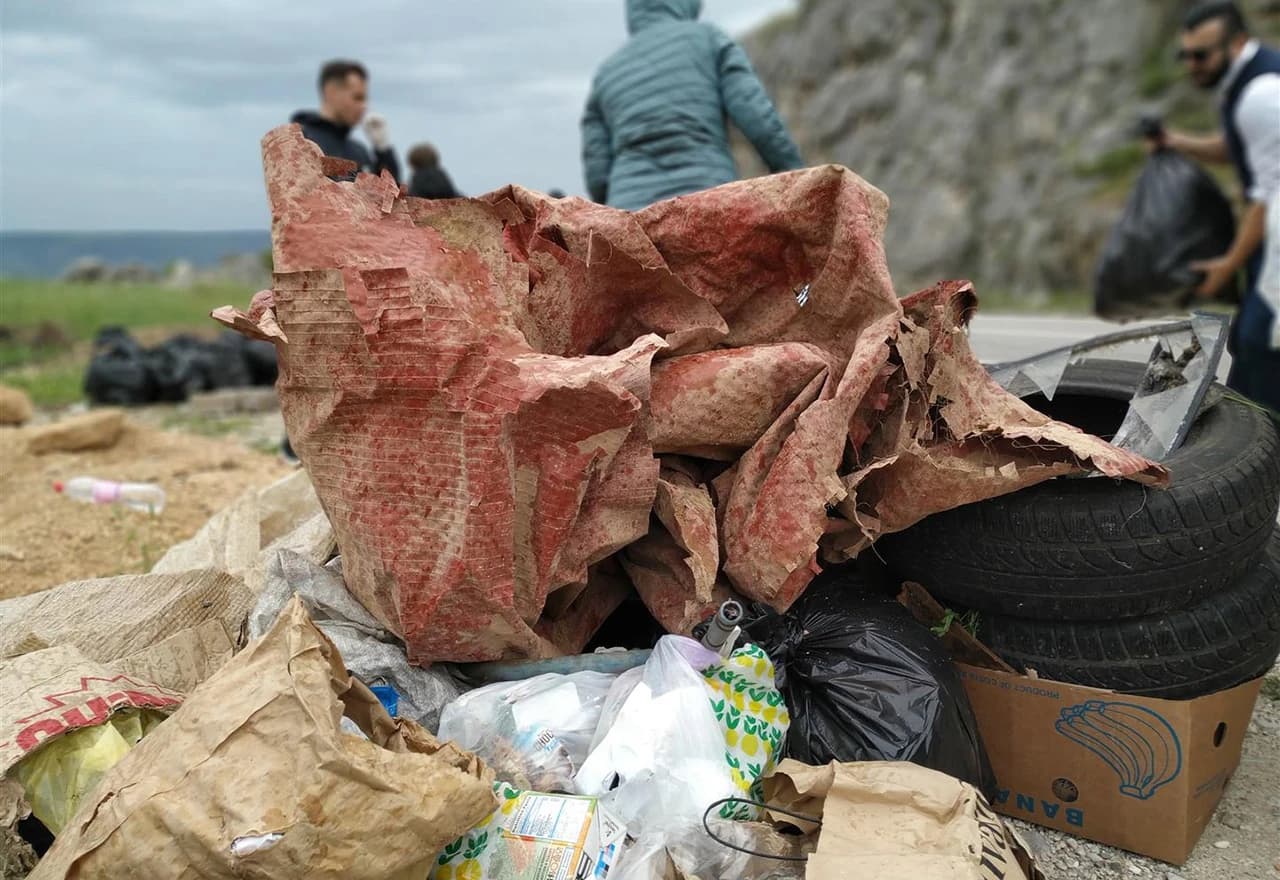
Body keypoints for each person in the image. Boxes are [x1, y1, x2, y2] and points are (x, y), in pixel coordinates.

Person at [1147, 2, 1280, 412]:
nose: (1192, 65)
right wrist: (1176, 142)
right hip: (1271, 239)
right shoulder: (1242, 83)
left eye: (1201, 55)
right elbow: (1235, 147)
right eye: (1185, 55)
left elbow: (1269, 196)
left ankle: (1261, 442)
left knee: (1262, 343)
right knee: (1250, 344)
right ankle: (1250, 438)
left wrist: (1227, 265)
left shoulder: (1262, 94)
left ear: (1236, 43)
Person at [581, 0, 803, 211]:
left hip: (631, 212)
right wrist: (797, 178)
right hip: (707, 201)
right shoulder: (709, 40)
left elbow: (597, 174)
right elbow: (758, 117)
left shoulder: (605, 75)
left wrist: (614, 210)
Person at [292, 60, 402, 184]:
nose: (364, 106)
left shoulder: (359, 151)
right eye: (357, 98)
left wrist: (383, 152)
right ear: (331, 92)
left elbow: (387, 193)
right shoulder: (300, 142)